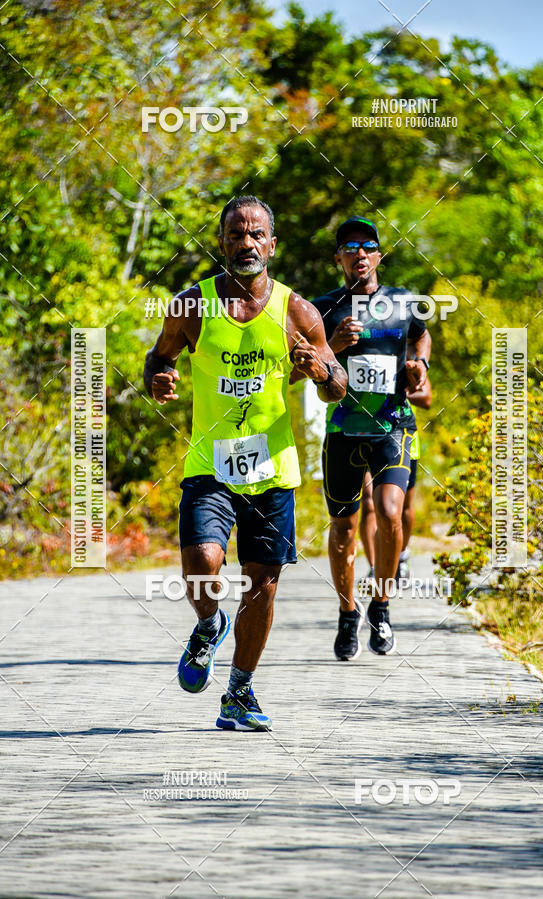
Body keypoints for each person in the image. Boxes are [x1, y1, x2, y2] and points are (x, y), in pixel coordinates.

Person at [144, 196, 346, 730]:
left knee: (263, 582)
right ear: (222, 243)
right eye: (236, 234)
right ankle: (210, 625)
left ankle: (238, 692)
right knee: (204, 563)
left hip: (272, 471)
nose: (247, 243)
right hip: (209, 463)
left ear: (272, 246)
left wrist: (322, 374)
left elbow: (337, 388)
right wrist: (157, 377)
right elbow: (158, 357)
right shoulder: (191, 308)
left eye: (257, 235)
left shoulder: (299, 313)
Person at [312, 215, 431, 661]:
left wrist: (421, 366)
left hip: (393, 425)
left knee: (389, 512)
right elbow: (303, 363)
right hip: (343, 429)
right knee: (343, 527)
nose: (359, 254)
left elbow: (422, 337)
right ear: (338, 258)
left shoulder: (403, 302)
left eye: (368, 246)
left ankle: (381, 606)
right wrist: (334, 347)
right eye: (350, 247)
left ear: (379, 255)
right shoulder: (323, 308)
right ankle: (348, 613)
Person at [358, 374, 432, 594]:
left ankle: (401, 555)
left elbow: (426, 398)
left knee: (404, 508)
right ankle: (374, 567)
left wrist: (395, 390)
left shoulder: (409, 357)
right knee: (369, 502)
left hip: (403, 439)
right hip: (364, 435)